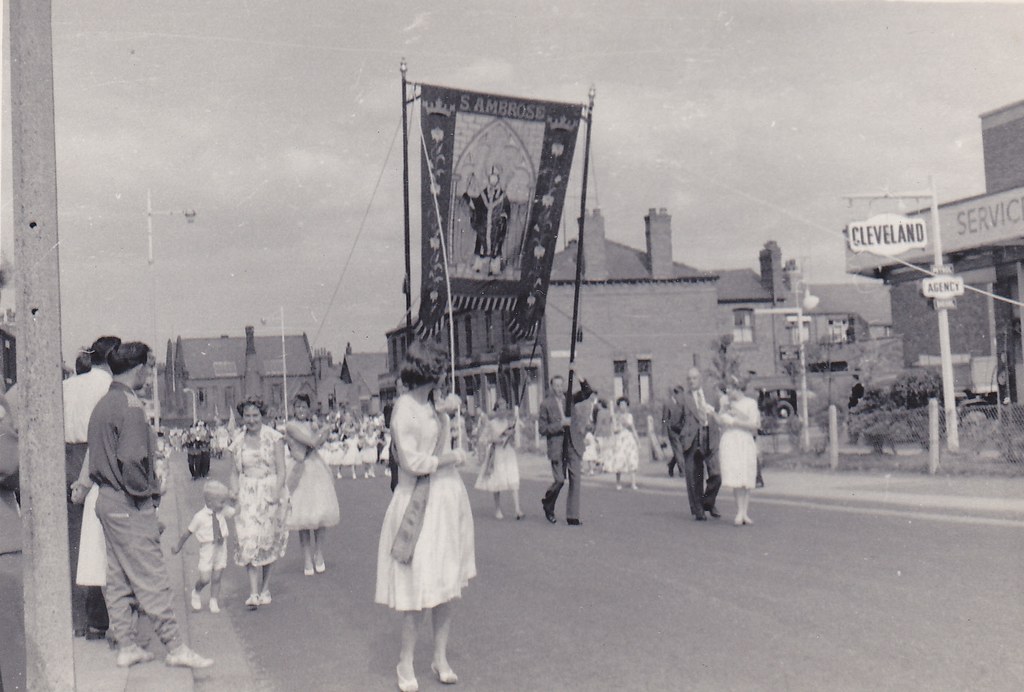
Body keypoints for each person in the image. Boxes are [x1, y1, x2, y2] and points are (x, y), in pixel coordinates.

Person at [88, 341, 212, 669]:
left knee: (118, 576)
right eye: (148, 367)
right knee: (152, 576)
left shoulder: (104, 404)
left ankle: (126, 644)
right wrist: (147, 496)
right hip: (128, 501)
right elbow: (131, 461)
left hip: (106, 499)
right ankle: (175, 647)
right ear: (139, 367)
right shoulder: (131, 406)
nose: (148, 374)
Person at [375, 341, 474, 692]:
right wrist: (453, 458)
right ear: (429, 371)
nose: (444, 374)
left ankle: (440, 658)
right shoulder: (404, 409)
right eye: (441, 368)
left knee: (446, 584)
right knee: (418, 585)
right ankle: (405, 661)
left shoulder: (435, 404)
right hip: (418, 502)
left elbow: (449, 433)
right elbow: (412, 462)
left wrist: (453, 414)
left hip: (446, 500)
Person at [63, 335, 121, 641]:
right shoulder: (109, 387)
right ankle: (101, 619)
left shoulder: (67, 386)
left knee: (74, 543)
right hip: (94, 459)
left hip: (65, 458)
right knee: (99, 542)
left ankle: (78, 618)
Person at [227, 396, 289, 609]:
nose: (251, 420)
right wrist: (234, 490)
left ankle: (265, 588)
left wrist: (276, 493)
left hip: (269, 492)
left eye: (255, 415)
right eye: (247, 416)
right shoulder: (237, 441)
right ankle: (253, 592)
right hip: (247, 494)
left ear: (262, 416)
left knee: (268, 541)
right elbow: (234, 472)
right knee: (248, 540)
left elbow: (282, 470)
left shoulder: (274, 438)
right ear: (242, 417)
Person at [285, 394, 340, 576]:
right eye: (298, 407)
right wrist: (325, 429)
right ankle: (307, 558)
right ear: (294, 409)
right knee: (303, 518)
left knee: (320, 514)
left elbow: (319, 443)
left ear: (309, 409)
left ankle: (319, 553)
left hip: (316, 468)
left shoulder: (312, 425)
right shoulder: (291, 426)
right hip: (300, 470)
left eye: (304, 407)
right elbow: (312, 442)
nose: (301, 410)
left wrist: (323, 430)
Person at [171, 480, 236, 613]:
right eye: (221, 502)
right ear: (210, 503)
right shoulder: (199, 517)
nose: (224, 504)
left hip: (221, 547)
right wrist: (178, 547)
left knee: (217, 577)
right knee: (205, 579)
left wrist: (236, 499)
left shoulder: (222, 510)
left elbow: (236, 512)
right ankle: (196, 591)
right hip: (207, 549)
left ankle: (213, 600)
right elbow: (187, 533)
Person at [667, 368, 722, 521]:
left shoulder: (711, 395)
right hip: (692, 440)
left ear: (700, 379)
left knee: (717, 474)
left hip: (710, 438)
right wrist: (686, 432)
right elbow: (674, 423)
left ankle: (708, 502)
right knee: (695, 477)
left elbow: (717, 413)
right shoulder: (683, 398)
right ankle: (698, 510)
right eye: (689, 379)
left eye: (695, 378)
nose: (692, 381)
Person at [712, 376, 761, 526]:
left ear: (737, 388)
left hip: (744, 440)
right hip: (731, 440)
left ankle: (744, 512)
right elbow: (720, 422)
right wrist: (714, 414)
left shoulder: (750, 403)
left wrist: (734, 421)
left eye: (730, 389)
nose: (727, 392)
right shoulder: (726, 403)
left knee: (746, 475)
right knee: (736, 475)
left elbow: (754, 425)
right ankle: (740, 511)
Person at [474, 400, 523, 520]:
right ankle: (497, 509)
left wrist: (512, 434)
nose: (503, 411)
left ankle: (517, 509)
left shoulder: (509, 422)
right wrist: (493, 439)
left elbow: (513, 439)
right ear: (496, 410)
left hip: (508, 452)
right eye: (500, 409)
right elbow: (482, 439)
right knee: (497, 480)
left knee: (513, 477)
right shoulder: (491, 424)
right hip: (497, 453)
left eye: (504, 408)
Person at [538, 375, 571, 524]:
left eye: (560, 385)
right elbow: (542, 429)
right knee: (559, 480)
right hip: (556, 446)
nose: (559, 389)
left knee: (563, 480)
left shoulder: (567, 401)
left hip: (568, 446)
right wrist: (560, 425)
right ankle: (548, 504)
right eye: (556, 386)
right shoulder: (546, 404)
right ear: (552, 387)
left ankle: (549, 504)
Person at [607, 397, 641, 490]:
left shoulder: (629, 416)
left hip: (629, 439)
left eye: (624, 405)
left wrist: (637, 440)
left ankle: (633, 483)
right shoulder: (615, 416)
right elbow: (613, 429)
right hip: (619, 439)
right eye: (621, 405)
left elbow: (633, 428)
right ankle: (618, 483)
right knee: (619, 459)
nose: (623, 406)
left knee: (632, 459)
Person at [592, 399, 614, 474]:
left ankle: (601, 467)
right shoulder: (608, 412)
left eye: (598, 404)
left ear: (600, 404)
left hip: (601, 433)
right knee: (607, 450)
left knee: (600, 451)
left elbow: (599, 424)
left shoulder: (600, 413)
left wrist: (595, 433)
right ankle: (608, 467)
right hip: (608, 433)